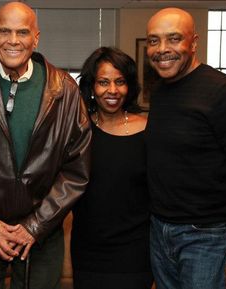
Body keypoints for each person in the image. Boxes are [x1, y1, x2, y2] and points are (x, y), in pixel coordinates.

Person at [0, 2, 91, 289]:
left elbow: (77, 170)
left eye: (22, 32)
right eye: (5, 31)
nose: (13, 41)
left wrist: (34, 226)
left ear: (36, 37)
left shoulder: (65, 89)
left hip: (42, 237)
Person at [145, 8, 226, 289]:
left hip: (207, 238)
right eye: (154, 40)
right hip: (160, 232)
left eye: (174, 39)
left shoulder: (224, 93)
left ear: (194, 43)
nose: (162, 49)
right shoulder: (160, 91)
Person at [70, 46, 152, 289]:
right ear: (92, 87)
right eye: (103, 82)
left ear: (129, 87)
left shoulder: (149, 129)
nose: (113, 90)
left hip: (135, 251)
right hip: (88, 251)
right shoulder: (79, 130)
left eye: (120, 82)